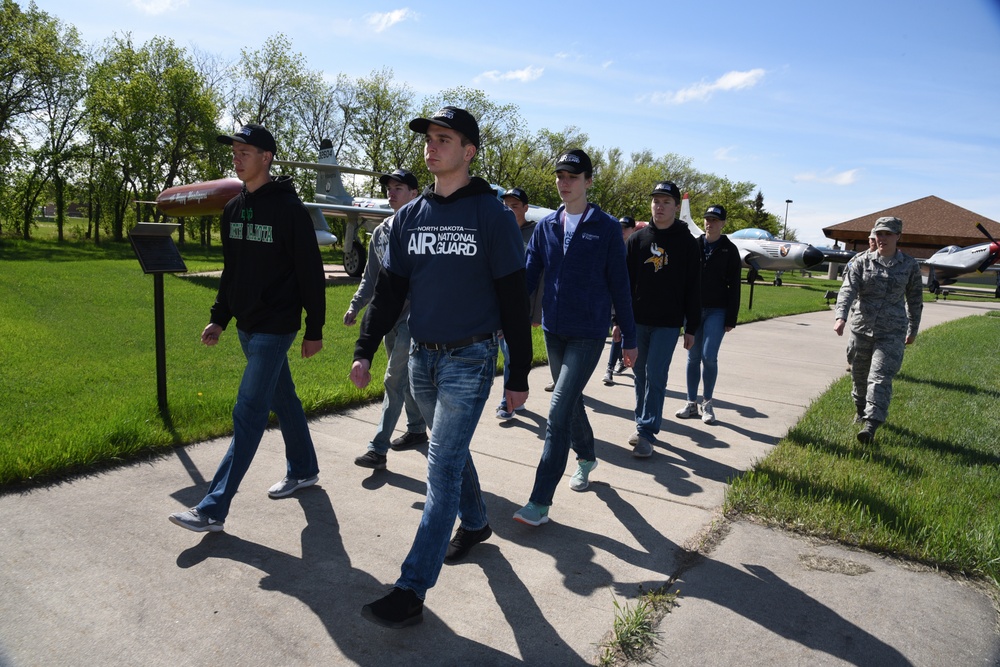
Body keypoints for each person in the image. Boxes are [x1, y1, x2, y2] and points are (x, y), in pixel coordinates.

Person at [350, 106, 531, 628]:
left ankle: (411, 588)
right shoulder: (410, 217)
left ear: (469, 151)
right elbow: (390, 293)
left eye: (444, 138)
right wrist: (364, 347)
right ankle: (475, 523)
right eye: (429, 138)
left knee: (442, 467)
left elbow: (514, 300)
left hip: (471, 359)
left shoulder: (492, 216)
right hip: (421, 360)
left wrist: (517, 375)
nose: (432, 146)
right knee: (445, 452)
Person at [168, 124, 326, 533]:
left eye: (244, 151)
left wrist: (315, 328)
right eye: (234, 151)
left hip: (276, 326)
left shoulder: (290, 211)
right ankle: (305, 469)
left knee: (249, 412)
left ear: (266, 157)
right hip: (246, 326)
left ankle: (213, 508)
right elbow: (232, 272)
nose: (236, 157)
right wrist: (219, 317)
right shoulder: (233, 209)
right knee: (284, 397)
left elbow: (311, 273)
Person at [513, 149, 637, 527]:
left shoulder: (606, 227)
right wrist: (507, 316)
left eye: (572, 176)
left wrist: (628, 336)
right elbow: (528, 278)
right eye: (559, 176)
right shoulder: (547, 226)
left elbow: (620, 284)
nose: (564, 183)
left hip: (588, 333)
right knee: (571, 403)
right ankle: (586, 457)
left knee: (557, 411)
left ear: (588, 180)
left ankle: (539, 502)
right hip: (554, 330)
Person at [345, 169, 428, 469]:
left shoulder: (425, 229)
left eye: (400, 188)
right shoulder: (380, 232)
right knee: (405, 381)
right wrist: (356, 306)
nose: (392, 193)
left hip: (414, 317)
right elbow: (371, 277)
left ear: (414, 193)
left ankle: (377, 449)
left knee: (393, 379)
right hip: (387, 318)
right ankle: (417, 429)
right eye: (389, 189)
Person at [624, 180, 701, 457]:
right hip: (638, 321)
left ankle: (646, 432)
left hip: (668, 323)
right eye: (656, 201)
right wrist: (620, 322)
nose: (660, 206)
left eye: (666, 202)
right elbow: (625, 285)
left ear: (677, 206)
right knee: (639, 374)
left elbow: (694, 287)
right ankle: (641, 422)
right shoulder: (637, 240)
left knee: (656, 375)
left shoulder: (688, 243)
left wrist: (691, 327)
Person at [834, 216, 922, 443]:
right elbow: (847, 290)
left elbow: (914, 300)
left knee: (880, 377)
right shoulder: (861, 262)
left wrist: (913, 329)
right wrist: (841, 317)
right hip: (861, 329)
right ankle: (860, 409)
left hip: (892, 332)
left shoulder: (910, 265)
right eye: (879, 233)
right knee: (859, 375)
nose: (882, 238)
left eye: (887, 234)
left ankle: (871, 425)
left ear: (898, 236)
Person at [675, 205, 741, 424]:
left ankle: (708, 403)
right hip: (693, 310)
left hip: (717, 310)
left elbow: (735, 287)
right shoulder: (694, 245)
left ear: (723, 224)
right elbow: (683, 280)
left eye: (715, 220)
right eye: (707, 219)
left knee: (708, 356)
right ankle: (691, 403)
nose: (710, 223)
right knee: (693, 357)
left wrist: (731, 318)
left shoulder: (729, 250)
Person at [496, 186, 542, 419]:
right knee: (499, 354)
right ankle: (515, 396)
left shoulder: (535, 234)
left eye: (515, 206)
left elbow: (540, 275)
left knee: (513, 354)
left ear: (526, 208)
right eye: (506, 206)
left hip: (520, 306)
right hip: (495, 304)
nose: (510, 210)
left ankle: (508, 401)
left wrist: (535, 314)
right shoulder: (497, 231)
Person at [603, 216, 638, 385]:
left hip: (629, 298)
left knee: (621, 332)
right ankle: (615, 364)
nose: (622, 230)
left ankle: (612, 366)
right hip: (612, 297)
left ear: (633, 229)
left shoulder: (636, 248)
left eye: (626, 227)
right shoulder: (614, 246)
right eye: (620, 227)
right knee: (616, 331)